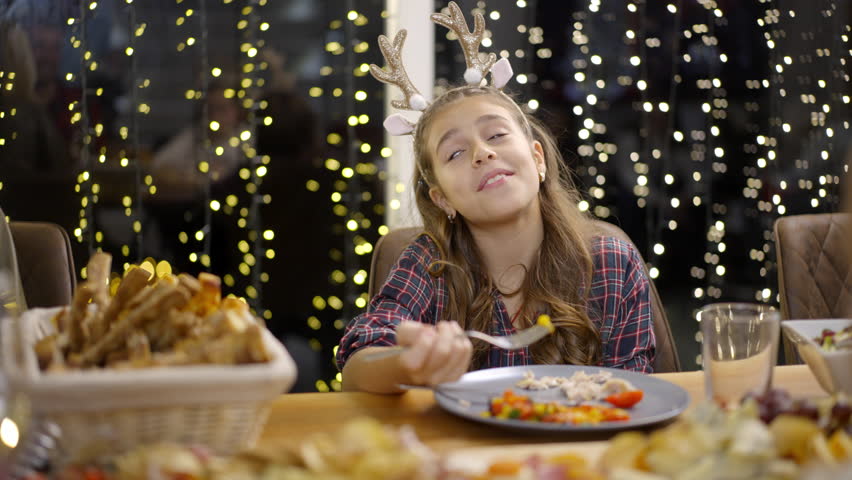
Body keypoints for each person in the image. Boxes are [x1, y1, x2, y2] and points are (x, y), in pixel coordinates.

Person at [336, 3, 655, 394]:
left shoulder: (611, 264)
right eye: (454, 153)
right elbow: (357, 366)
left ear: (537, 159)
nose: (482, 152)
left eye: (497, 135)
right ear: (442, 199)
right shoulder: (427, 266)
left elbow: (635, 396)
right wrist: (407, 362)